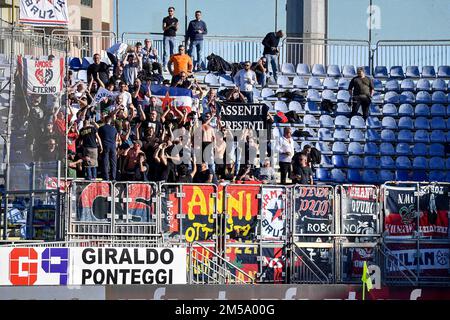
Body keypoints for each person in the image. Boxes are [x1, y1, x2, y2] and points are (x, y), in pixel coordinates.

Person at [98, 116, 119, 181]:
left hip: (105, 145)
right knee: (113, 162)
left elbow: (99, 137)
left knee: (105, 161)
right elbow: (116, 138)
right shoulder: (114, 129)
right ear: (110, 121)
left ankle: (106, 177)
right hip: (113, 146)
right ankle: (113, 178)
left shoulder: (101, 128)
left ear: (104, 120)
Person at [162, 7, 179, 71]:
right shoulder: (165, 19)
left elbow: (177, 29)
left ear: (173, 12)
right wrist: (170, 26)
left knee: (173, 52)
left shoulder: (176, 19)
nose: (170, 12)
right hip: (166, 36)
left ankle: (172, 65)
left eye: (171, 11)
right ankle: (165, 65)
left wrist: (174, 26)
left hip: (173, 37)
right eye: (169, 11)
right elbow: (164, 28)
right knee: (166, 52)